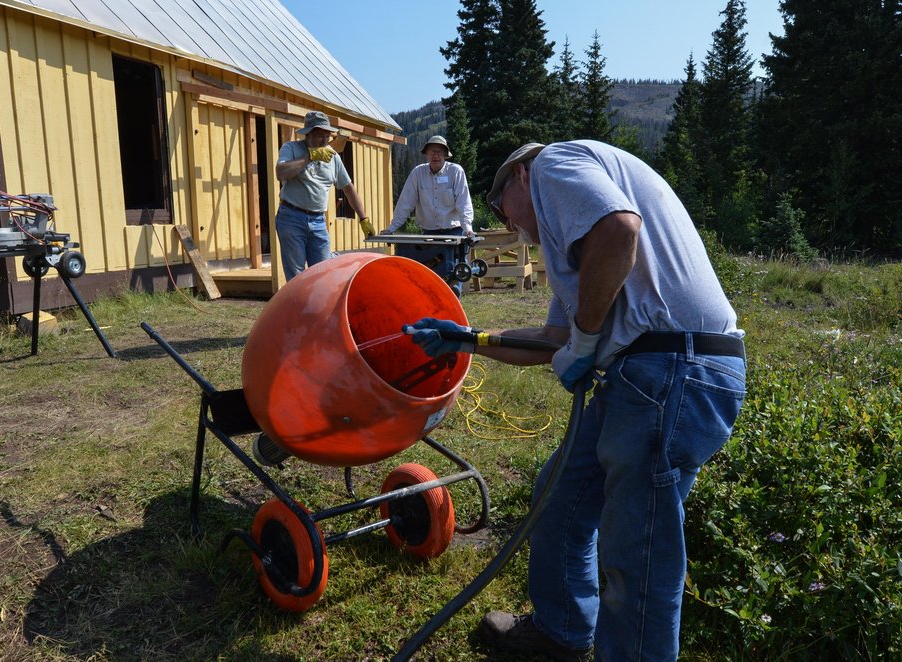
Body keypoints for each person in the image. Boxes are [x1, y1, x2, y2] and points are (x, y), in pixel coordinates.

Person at [408, 140, 747, 660]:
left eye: (503, 210)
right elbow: (553, 337)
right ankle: (561, 631)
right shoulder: (579, 251)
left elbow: (620, 230)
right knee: (559, 496)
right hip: (645, 373)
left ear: (518, 176)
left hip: (674, 370)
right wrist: (466, 337)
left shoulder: (553, 165)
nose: (514, 227)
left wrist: (587, 341)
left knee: (637, 547)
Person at [275, 110, 374, 281]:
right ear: (308, 134)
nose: (325, 140)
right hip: (291, 217)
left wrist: (363, 219)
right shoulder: (291, 148)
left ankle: (318, 307)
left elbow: (349, 188)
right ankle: (299, 307)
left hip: (318, 221)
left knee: (323, 273)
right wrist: (309, 157)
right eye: (320, 135)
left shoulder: (333, 157)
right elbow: (281, 173)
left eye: (327, 135)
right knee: (297, 276)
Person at [381, 135, 474, 293]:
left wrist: (468, 228)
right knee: (428, 278)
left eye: (439, 152)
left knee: (453, 279)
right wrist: (391, 228)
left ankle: (452, 311)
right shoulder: (418, 173)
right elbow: (405, 203)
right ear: (426, 154)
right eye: (432, 152)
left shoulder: (455, 171)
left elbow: (463, 203)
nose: (435, 156)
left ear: (445, 154)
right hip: (429, 234)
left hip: (454, 233)